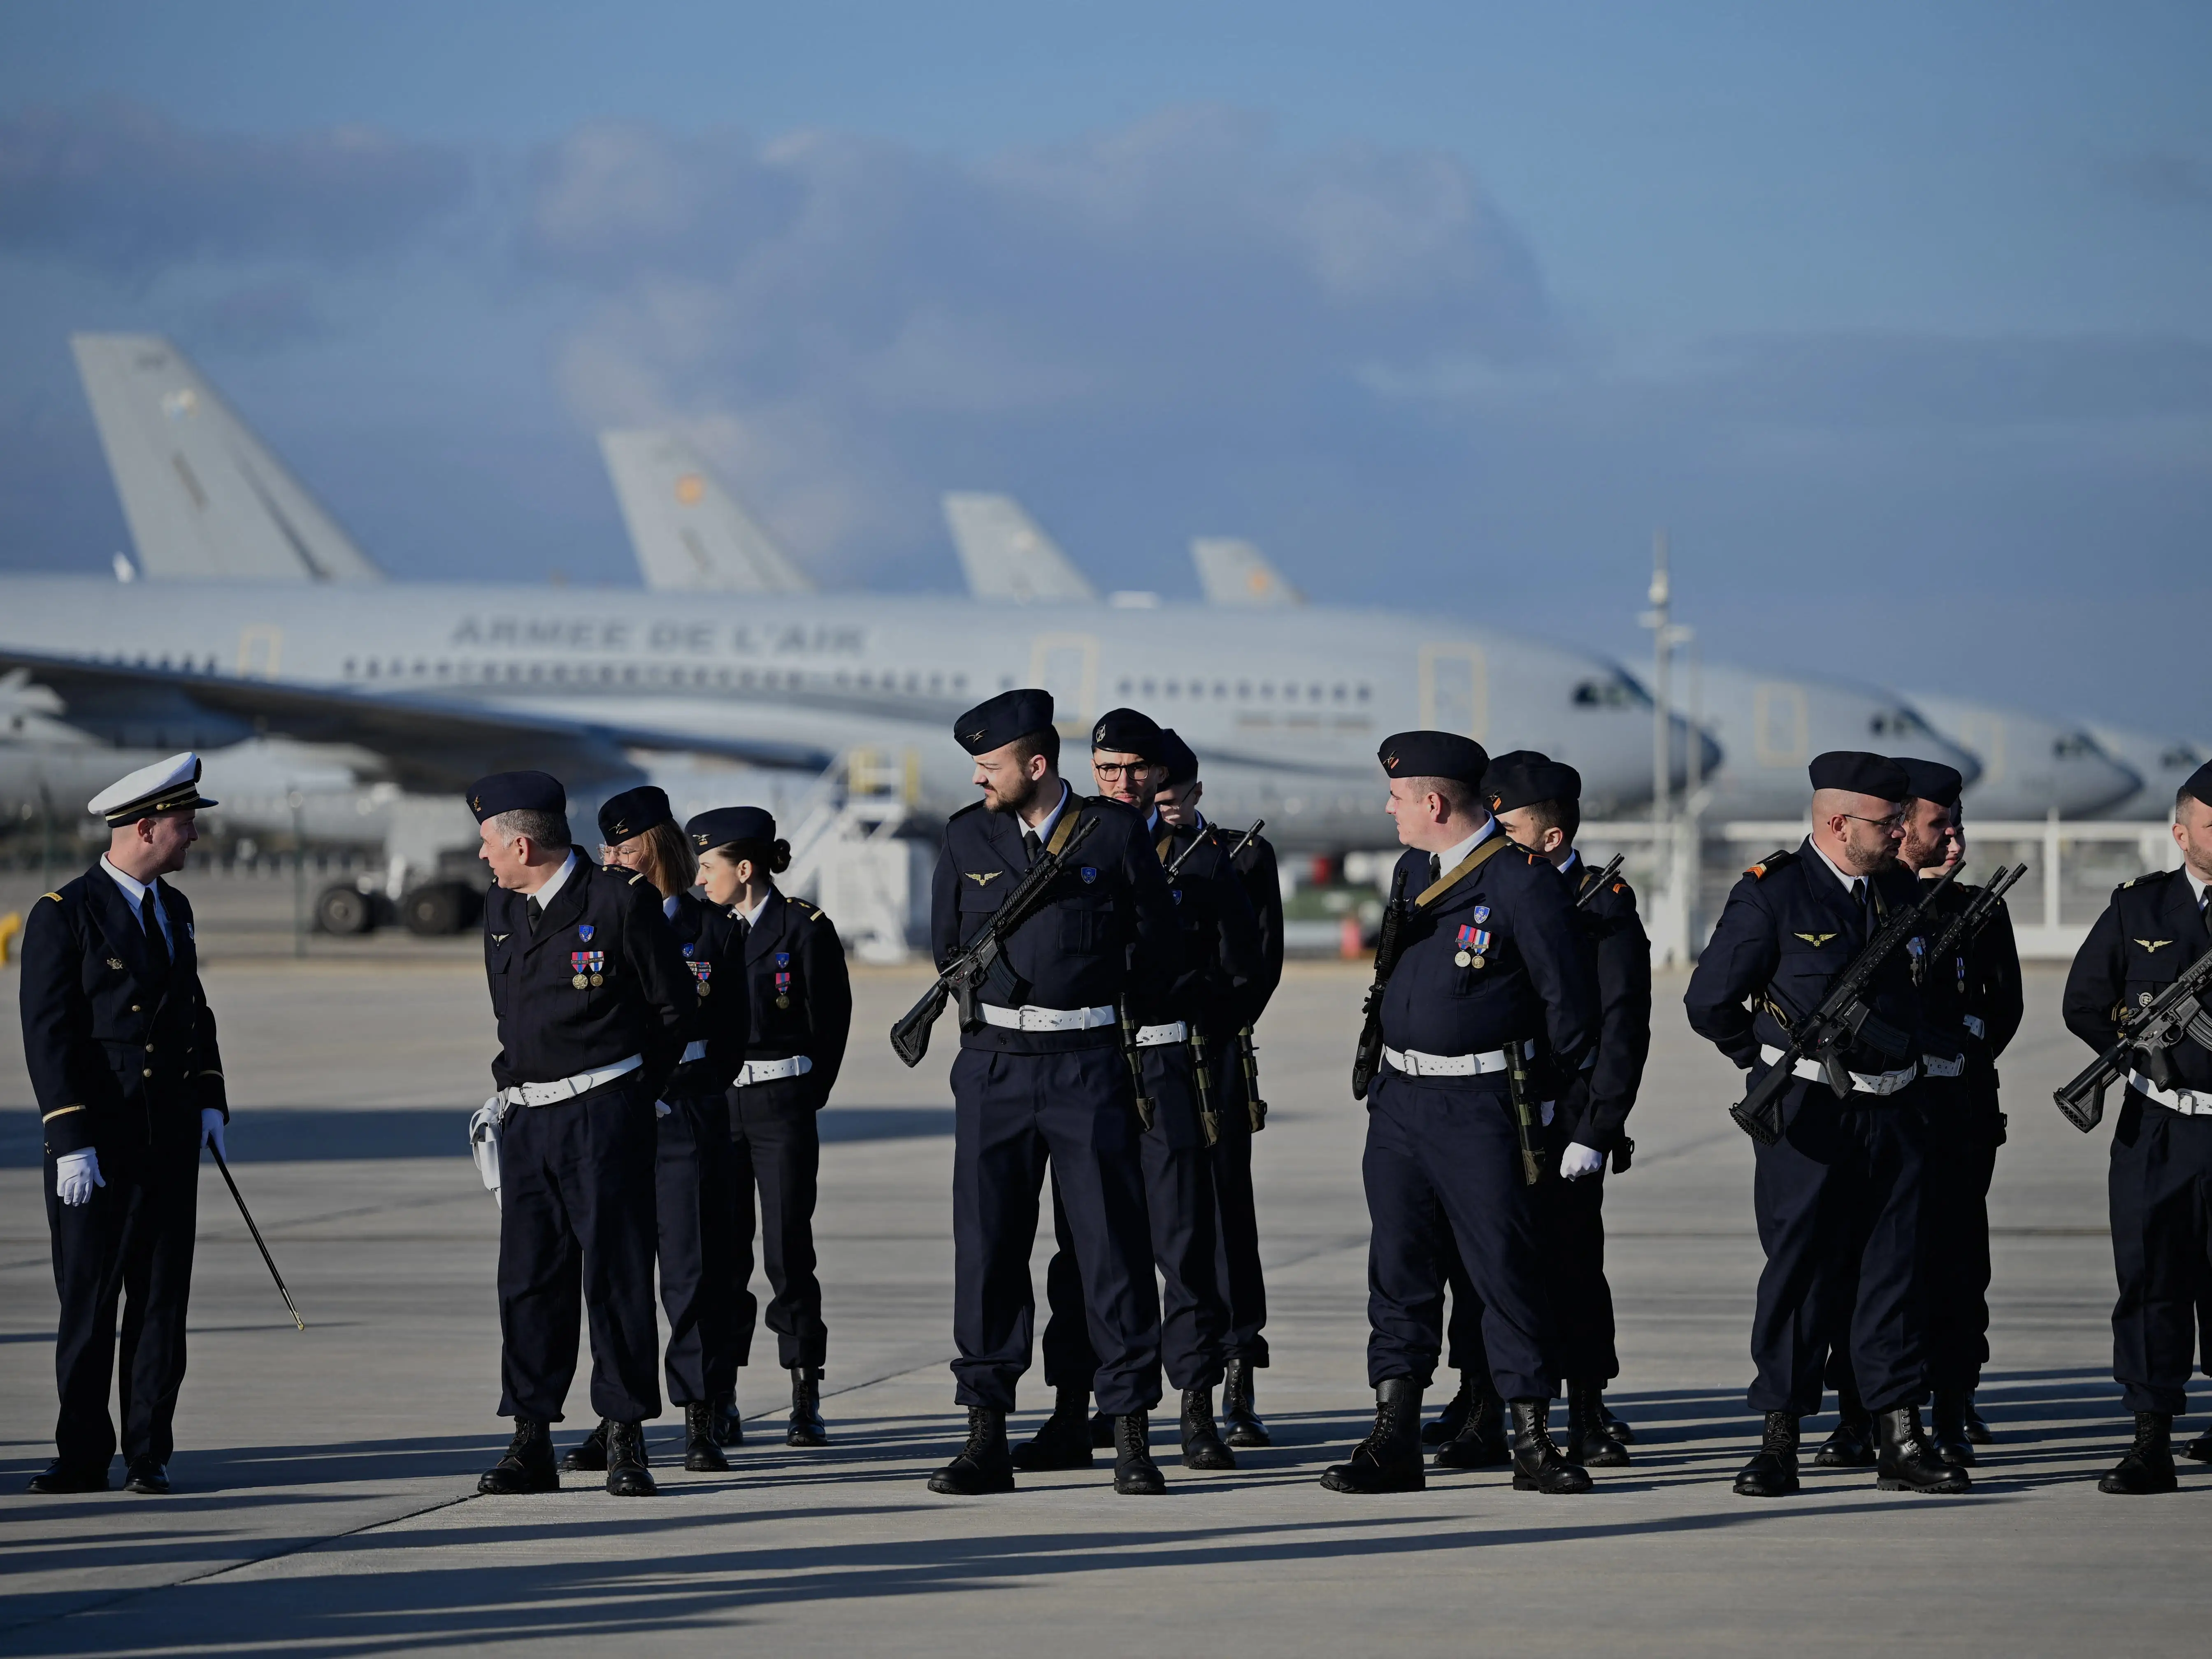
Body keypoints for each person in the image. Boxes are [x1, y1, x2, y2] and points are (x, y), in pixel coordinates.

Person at [1684, 751, 1967, 1497]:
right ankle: (1779, 1438)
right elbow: (1709, 1001)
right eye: (1888, 821)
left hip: (1897, 1111)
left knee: (1895, 1274)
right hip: (1810, 1118)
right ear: (1840, 823)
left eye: (1904, 818)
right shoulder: (1773, 896)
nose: (1902, 831)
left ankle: (1899, 1435)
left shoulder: (1899, 890)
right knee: (1801, 1279)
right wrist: (1767, 1059)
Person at [1320, 731, 1596, 1496]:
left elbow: (1572, 1017)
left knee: (1504, 1272)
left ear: (1433, 803)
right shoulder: (1414, 871)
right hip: (1402, 1104)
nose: (1391, 809)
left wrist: (1576, 1122)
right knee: (1400, 1271)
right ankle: (1394, 1436)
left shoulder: (1522, 884)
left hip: (1482, 1108)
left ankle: (1532, 1439)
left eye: (1399, 798)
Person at [923, 688, 1182, 1497]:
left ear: (1037, 764)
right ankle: (985, 1438)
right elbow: (946, 944)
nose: (978, 779)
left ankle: (1132, 1435)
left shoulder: (1113, 831)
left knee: (1112, 1252)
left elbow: (1158, 945)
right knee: (989, 1250)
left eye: (990, 765)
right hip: (996, 1065)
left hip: (1087, 1064)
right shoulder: (968, 835)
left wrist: (1098, 1008)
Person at [1017, 709, 1258, 1475]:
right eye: (1109, 769)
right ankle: (1071, 1409)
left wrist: (1184, 1011)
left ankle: (1193, 1411)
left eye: (1137, 770)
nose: (1123, 783)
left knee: (1184, 1247)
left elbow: (1243, 972)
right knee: (1079, 1254)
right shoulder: (1069, 842)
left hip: (1163, 1066)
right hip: (1086, 1068)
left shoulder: (1203, 858)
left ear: (1163, 775)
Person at [469, 771, 693, 1498]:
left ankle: (626, 1438)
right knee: (529, 1282)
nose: (483, 858)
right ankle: (530, 1438)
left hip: (604, 1114)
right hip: (529, 1118)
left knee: (616, 1276)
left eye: (488, 844)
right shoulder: (502, 907)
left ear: (522, 843)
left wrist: (634, 1094)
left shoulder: (617, 902)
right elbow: (511, 1012)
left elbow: (672, 1009)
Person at [19, 753, 225, 1495]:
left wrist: (209, 1097)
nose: (194, 837)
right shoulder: (63, 914)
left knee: (162, 1303)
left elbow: (194, 1014)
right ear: (147, 827)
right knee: (91, 1302)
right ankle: (81, 1454)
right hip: (99, 1144)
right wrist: (69, 1138)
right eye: (184, 824)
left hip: (167, 1137)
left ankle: (148, 1452)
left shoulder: (175, 910)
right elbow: (49, 1036)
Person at [556, 786, 748, 1477]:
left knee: (693, 1275)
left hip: (686, 1114)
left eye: (623, 848)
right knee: (615, 1274)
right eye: (606, 848)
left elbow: (731, 1037)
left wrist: (692, 1094)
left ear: (656, 849)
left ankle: (702, 1414)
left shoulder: (715, 930)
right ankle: (618, 1419)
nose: (611, 859)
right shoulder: (597, 921)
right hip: (616, 1114)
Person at [1479, 750, 1651, 1468]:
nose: (1496, 839)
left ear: (1550, 838)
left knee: (1573, 1265)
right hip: (1491, 1112)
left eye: (1508, 826)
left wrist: (1597, 1127)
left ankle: (1585, 1407)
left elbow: (1621, 1027)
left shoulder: (1598, 903)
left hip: (1564, 1118)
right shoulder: (1483, 888)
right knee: (1487, 1267)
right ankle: (1484, 1407)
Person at [2060, 760, 2212, 1494]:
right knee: (2151, 1278)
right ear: (2182, 833)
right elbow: (2084, 1002)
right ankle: (2150, 1437)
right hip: (2160, 1128)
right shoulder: (2139, 909)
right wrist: (2139, 1049)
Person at [689, 804, 852, 1450]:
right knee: (722, 1258)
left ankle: (804, 1392)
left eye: (709, 866)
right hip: (719, 1108)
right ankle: (722, 1396)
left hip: (781, 1105)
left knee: (789, 1253)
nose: (700, 879)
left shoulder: (803, 928)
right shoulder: (701, 930)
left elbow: (831, 1022)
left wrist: (806, 1095)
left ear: (746, 868)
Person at [1155, 727, 1283, 1446]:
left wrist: (1210, 1024)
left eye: (1175, 796)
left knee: (1227, 1214)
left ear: (1198, 793)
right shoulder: (1127, 851)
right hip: (1144, 1057)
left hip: (1217, 1055)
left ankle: (1238, 1373)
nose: (1165, 809)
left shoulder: (1241, 855)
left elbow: (1261, 962)